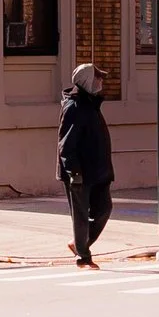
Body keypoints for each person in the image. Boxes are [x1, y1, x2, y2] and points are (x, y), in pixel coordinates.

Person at [58, 61, 114, 267]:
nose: (101, 82)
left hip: (99, 171)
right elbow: (66, 143)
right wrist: (73, 171)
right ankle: (84, 256)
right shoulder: (73, 107)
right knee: (81, 216)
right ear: (87, 81)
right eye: (98, 78)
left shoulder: (91, 104)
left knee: (104, 209)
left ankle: (79, 244)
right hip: (80, 172)